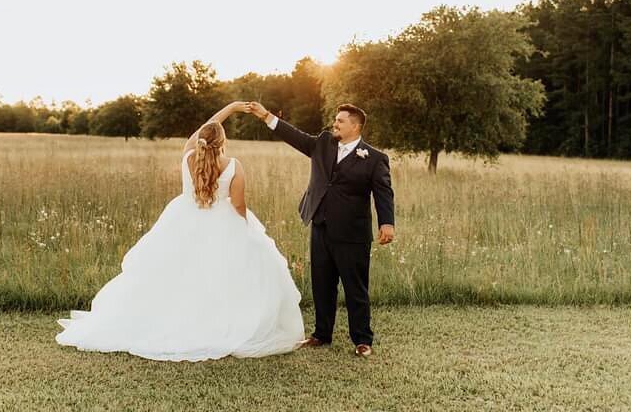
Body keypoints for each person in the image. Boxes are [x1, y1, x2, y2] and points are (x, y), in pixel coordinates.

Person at [56, 101, 305, 361]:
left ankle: (176, 321)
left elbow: (205, 130)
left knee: (177, 274)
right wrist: (246, 227)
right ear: (223, 142)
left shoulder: (188, 156)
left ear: (201, 139)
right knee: (223, 277)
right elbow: (239, 204)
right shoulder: (233, 166)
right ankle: (218, 325)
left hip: (183, 220)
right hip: (223, 223)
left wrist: (229, 109)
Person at [247, 101, 395, 358]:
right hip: (321, 227)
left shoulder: (374, 158)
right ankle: (321, 334)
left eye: (340, 121)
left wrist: (387, 223)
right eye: (335, 120)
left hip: (352, 234)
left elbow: (384, 193)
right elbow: (295, 137)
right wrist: (266, 116)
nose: (334, 124)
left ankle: (362, 340)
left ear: (355, 126)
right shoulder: (323, 143)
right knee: (322, 284)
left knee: (355, 288)